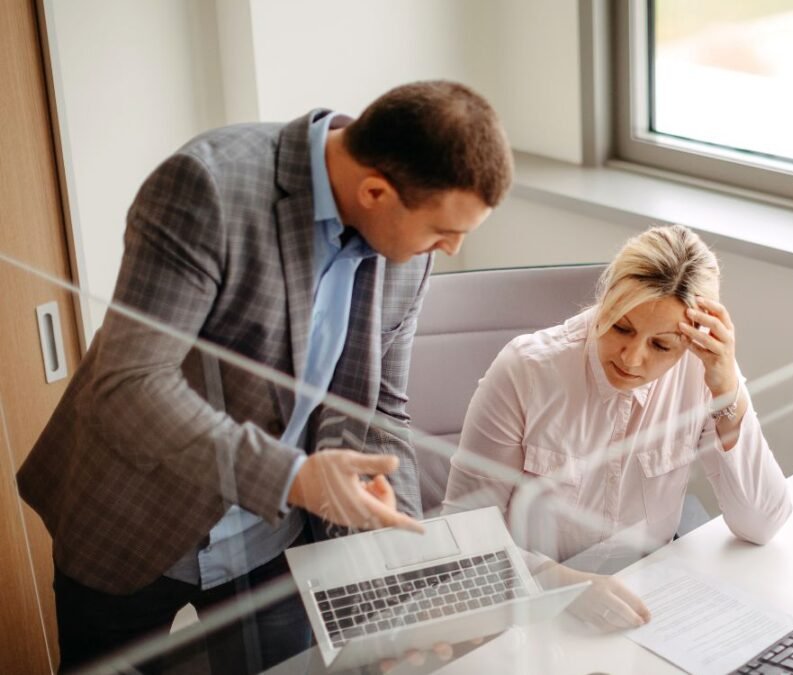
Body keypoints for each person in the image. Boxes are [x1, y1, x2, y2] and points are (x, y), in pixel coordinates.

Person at [17, 80, 512, 673]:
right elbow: (130, 385)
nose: (452, 249)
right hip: (132, 515)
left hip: (273, 545)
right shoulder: (207, 188)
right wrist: (294, 477)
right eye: (443, 231)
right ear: (376, 191)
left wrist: (399, 559)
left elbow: (379, 409)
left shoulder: (409, 248)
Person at [442, 225, 792, 630]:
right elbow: (462, 536)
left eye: (661, 345)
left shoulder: (703, 369)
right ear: (604, 298)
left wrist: (726, 392)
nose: (632, 357)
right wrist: (564, 586)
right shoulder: (527, 370)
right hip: (534, 608)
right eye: (621, 327)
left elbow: (761, 524)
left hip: (651, 605)